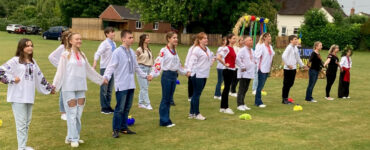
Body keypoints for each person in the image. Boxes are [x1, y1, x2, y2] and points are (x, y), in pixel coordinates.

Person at [53, 33, 106, 147]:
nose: (79, 41)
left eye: (80, 39)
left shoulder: (83, 55)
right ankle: (73, 138)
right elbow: (60, 72)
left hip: (81, 87)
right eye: (77, 39)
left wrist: (101, 80)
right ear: (71, 41)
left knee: (78, 114)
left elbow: (89, 71)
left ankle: (71, 136)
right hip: (68, 88)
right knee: (71, 113)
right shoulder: (65, 55)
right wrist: (55, 86)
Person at [0, 38, 55, 150]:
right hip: (17, 97)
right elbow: (1, 71)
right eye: (27, 46)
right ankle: (21, 148)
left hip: (29, 96)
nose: (30, 47)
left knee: (26, 123)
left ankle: (23, 146)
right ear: (21, 48)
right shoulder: (15, 61)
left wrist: (50, 88)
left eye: (31, 45)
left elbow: (40, 77)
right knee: (21, 124)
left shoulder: (33, 62)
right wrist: (11, 79)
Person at [103, 30, 152, 138]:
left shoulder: (132, 52)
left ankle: (123, 127)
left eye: (132, 37)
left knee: (127, 108)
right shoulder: (117, 52)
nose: (132, 39)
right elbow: (111, 66)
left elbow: (136, 68)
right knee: (119, 108)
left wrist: (145, 75)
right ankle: (115, 129)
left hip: (131, 85)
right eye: (129, 37)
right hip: (121, 85)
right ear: (123, 39)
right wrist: (106, 77)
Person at [151, 31, 190, 127]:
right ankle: (164, 121)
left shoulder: (175, 51)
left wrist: (185, 72)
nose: (176, 39)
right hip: (167, 76)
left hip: (173, 76)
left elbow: (178, 65)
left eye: (176, 37)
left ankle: (167, 119)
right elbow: (158, 63)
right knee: (165, 99)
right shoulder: (164, 50)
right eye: (174, 38)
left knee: (169, 99)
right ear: (169, 39)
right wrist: (153, 74)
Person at [186, 32, 214, 120]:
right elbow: (191, 61)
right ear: (199, 40)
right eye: (204, 38)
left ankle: (191, 113)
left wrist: (213, 59)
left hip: (204, 74)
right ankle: (197, 113)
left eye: (206, 38)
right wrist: (189, 71)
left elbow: (210, 58)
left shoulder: (207, 49)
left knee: (196, 94)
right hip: (197, 75)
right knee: (196, 94)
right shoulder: (196, 49)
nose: (206, 40)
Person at [92, 27, 116, 114]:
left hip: (112, 68)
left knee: (110, 89)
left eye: (113, 32)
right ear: (107, 34)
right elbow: (97, 53)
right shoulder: (104, 44)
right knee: (104, 89)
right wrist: (95, 63)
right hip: (105, 68)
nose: (113, 33)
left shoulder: (114, 43)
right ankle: (104, 108)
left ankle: (108, 106)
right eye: (112, 32)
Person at [48, 30, 70, 120]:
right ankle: (63, 112)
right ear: (65, 38)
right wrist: (60, 66)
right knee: (63, 92)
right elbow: (51, 57)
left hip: (71, 73)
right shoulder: (62, 47)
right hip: (64, 73)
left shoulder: (71, 48)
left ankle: (68, 110)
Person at [281, 35, 308, 104]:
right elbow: (283, 56)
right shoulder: (289, 47)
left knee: (291, 83)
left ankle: (286, 98)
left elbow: (298, 58)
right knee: (286, 84)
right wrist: (287, 64)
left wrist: (303, 65)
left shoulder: (295, 47)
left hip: (293, 68)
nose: (297, 40)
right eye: (295, 39)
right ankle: (284, 99)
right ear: (291, 41)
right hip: (288, 69)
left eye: (297, 39)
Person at [217, 34, 237, 114]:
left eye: (235, 38)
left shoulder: (232, 48)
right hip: (227, 70)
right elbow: (218, 57)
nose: (235, 40)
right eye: (233, 38)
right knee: (226, 89)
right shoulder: (226, 48)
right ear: (229, 39)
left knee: (227, 88)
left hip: (232, 70)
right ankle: (225, 107)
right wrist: (224, 64)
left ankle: (223, 107)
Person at [254, 33, 275, 108]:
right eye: (268, 36)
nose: (270, 37)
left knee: (261, 86)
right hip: (261, 68)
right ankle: (258, 102)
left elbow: (271, 56)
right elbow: (256, 56)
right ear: (264, 38)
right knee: (260, 86)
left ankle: (257, 101)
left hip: (267, 69)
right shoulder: (261, 46)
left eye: (270, 36)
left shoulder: (270, 46)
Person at [235, 36, 255, 111]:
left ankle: (243, 103)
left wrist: (254, 62)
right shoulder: (242, 50)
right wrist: (242, 66)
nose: (251, 41)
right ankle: (239, 104)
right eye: (250, 40)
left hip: (250, 72)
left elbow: (253, 59)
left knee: (246, 88)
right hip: (244, 72)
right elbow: (237, 59)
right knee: (242, 88)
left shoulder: (252, 50)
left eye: (252, 40)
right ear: (246, 42)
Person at [136, 34, 154, 110]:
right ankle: (147, 104)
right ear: (143, 40)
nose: (148, 39)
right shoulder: (139, 50)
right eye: (147, 38)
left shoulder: (149, 49)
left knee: (144, 88)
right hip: (141, 69)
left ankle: (140, 103)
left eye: (148, 38)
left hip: (149, 70)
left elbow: (152, 60)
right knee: (144, 88)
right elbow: (134, 60)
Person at [184, 35, 197, 102]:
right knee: (191, 83)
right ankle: (190, 96)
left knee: (196, 83)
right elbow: (187, 58)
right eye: (196, 40)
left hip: (197, 69)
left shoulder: (199, 48)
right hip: (191, 68)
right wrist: (186, 68)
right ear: (194, 41)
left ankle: (195, 96)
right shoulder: (191, 49)